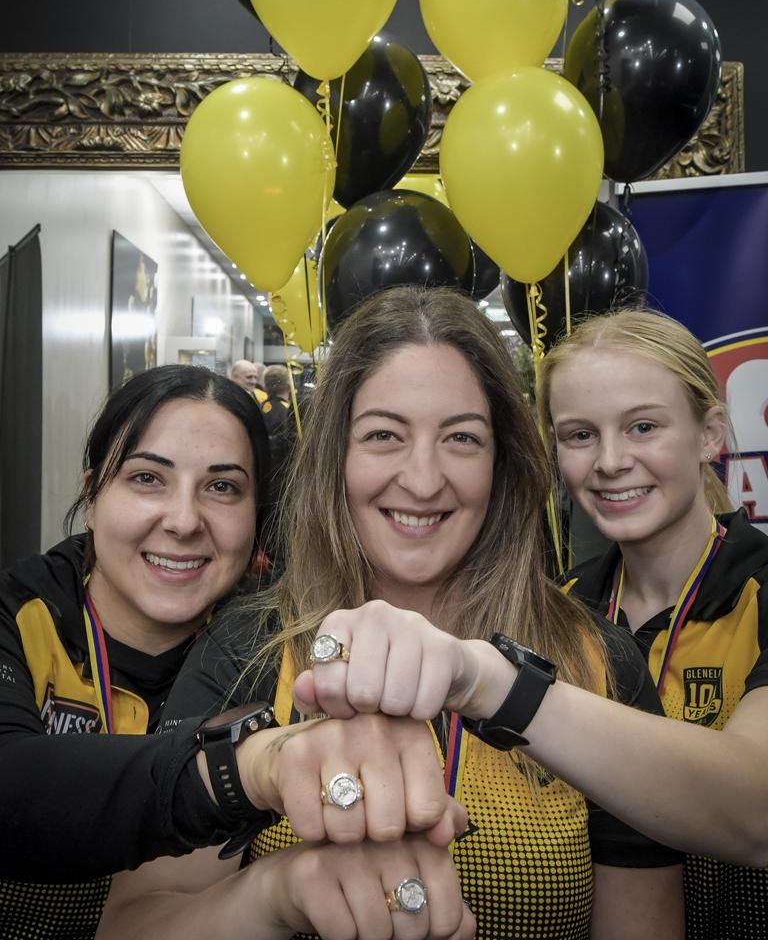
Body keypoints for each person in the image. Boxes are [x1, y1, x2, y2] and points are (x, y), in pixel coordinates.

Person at [99, 287, 684, 940]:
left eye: (461, 438)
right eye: (384, 435)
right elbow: (132, 925)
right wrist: (275, 893)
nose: (424, 478)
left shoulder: (596, 660)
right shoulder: (251, 650)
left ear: (503, 463)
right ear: (336, 457)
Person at [0, 362, 466, 940]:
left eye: (223, 487)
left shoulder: (266, 649)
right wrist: (243, 768)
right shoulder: (19, 619)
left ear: (257, 519)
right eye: (148, 478)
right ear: (91, 494)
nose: (183, 520)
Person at [539, 308, 768, 940]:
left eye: (642, 426)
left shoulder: (760, 591)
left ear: (709, 434)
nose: (611, 461)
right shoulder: (559, 608)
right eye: (579, 435)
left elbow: (755, 812)